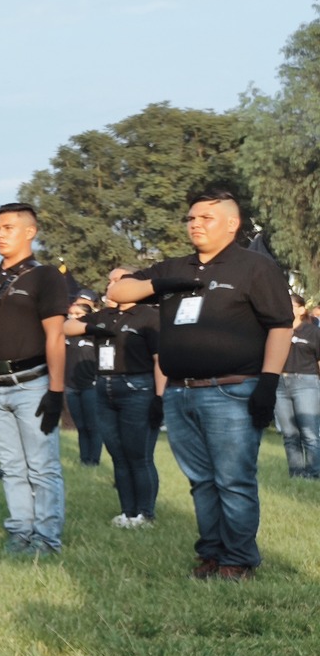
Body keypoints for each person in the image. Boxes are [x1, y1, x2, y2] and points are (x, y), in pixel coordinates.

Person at [107, 189, 293, 580]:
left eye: (205, 218)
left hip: (232, 389)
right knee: (201, 482)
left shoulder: (255, 267)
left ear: (231, 223)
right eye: (191, 218)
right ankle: (211, 553)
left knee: (233, 480)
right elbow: (117, 290)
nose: (195, 224)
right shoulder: (175, 267)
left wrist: (269, 383)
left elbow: (280, 325)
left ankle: (238, 559)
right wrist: (162, 284)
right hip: (179, 390)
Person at [0, 204, 73, 556]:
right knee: (11, 466)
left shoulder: (45, 277)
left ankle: (46, 538)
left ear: (30, 232)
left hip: (33, 383)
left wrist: (56, 391)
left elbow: (55, 337)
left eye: (9, 227)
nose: (0, 233)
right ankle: (20, 531)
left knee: (42, 466)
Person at [68, 286, 162, 526]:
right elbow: (65, 327)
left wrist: (159, 397)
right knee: (118, 456)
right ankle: (127, 512)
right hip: (104, 387)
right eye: (109, 284)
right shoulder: (104, 316)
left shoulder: (148, 316)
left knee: (138, 455)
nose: (111, 288)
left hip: (137, 387)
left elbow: (159, 359)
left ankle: (145, 514)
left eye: (118, 283)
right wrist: (90, 327)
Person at [274, 299, 320, 479]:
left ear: (301, 310)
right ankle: (296, 474)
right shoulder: (277, 330)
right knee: (289, 434)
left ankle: (314, 474)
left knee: (309, 433)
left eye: (290, 305)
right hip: (280, 383)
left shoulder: (313, 332)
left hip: (306, 383)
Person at [63, 299, 105, 466]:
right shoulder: (66, 335)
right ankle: (83, 459)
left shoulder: (94, 335)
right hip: (71, 386)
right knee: (80, 426)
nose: (73, 317)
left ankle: (94, 460)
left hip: (91, 386)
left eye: (78, 314)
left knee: (92, 425)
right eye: (71, 314)